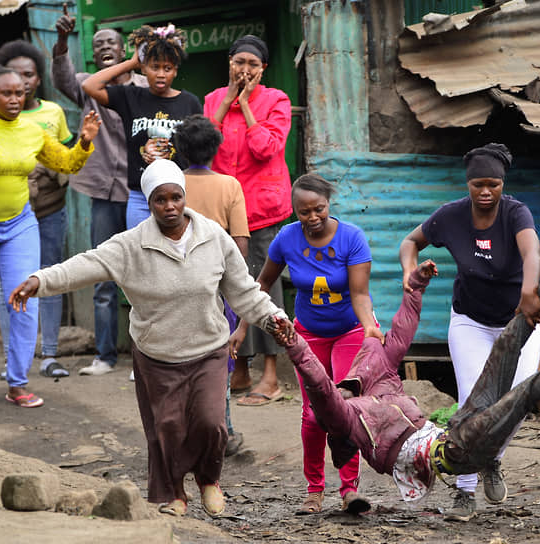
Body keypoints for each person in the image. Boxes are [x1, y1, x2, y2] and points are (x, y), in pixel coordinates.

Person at [8, 159, 292, 518]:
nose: (170, 206)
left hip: (208, 350)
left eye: (176, 197)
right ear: (149, 202)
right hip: (157, 355)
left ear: (184, 197)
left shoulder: (214, 237)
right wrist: (38, 281)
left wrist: (274, 319)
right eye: (160, 200)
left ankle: (208, 480)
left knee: (210, 421)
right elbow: (83, 265)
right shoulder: (131, 245)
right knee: (167, 429)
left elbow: (245, 292)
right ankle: (175, 494)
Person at [268, 248, 540, 514]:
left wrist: (417, 286)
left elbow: (402, 333)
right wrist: (294, 343)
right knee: (523, 394)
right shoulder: (345, 418)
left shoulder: (380, 380)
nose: (373, 342)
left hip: (455, 428)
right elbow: (318, 385)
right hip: (453, 454)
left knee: (506, 346)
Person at [399, 143, 540, 521]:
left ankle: (491, 459)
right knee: (471, 399)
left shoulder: (515, 213)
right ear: (468, 184)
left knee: (519, 399)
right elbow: (410, 242)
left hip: (518, 321)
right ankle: (464, 490)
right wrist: (408, 271)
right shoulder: (451, 216)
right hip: (470, 321)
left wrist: (530, 292)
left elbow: (532, 253)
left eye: (493, 184)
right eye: (478, 184)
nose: (485, 191)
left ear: (501, 184)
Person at [230, 173, 382, 513]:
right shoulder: (286, 238)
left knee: (345, 407)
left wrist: (370, 326)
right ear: (294, 211)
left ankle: (349, 489)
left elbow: (359, 293)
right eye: (304, 212)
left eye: (319, 209)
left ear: (329, 204)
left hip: (349, 333)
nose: (313, 218)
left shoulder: (352, 238)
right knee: (313, 416)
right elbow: (262, 285)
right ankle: (314, 491)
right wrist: (242, 327)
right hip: (308, 336)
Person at [0, 64, 100, 408]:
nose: (15, 99)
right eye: (7, 93)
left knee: (21, 300)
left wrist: (84, 142)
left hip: (19, 224)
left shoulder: (33, 131)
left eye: (20, 92)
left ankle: (17, 383)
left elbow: (67, 164)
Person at [51, 11, 148, 377]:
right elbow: (61, 76)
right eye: (99, 45)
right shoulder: (88, 85)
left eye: (111, 43)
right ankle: (105, 356)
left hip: (141, 192)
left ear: (124, 49)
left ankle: (145, 359)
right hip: (104, 192)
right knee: (104, 274)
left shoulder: (143, 86)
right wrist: (62, 43)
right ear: (93, 54)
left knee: (145, 275)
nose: (105, 48)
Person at [203, 35, 292, 406]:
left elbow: (265, 148)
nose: (244, 70)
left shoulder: (276, 101)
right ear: (229, 63)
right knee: (227, 286)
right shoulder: (212, 99)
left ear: (263, 69)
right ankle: (239, 369)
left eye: (252, 65)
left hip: (263, 208)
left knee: (263, 287)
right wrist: (227, 102)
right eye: (239, 62)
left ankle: (270, 374)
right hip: (223, 209)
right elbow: (205, 144)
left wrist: (246, 107)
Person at [0, 39, 74, 379]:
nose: (22, 83)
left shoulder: (52, 113)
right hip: (9, 214)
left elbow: (68, 158)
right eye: (15, 77)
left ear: (39, 78)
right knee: (9, 285)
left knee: (49, 277)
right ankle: (14, 360)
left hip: (50, 209)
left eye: (28, 75)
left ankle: (50, 354)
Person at [173, 113, 250, 455]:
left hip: (176, 278)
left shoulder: (172, 187)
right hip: (218, 281)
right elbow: (240, 242)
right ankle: (225, 431)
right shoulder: (230, 186)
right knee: (220, 357)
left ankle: (184, 433)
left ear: (180, 150)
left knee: (180, 358)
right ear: (216, 149)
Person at [82, 23, 203, 235]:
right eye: (154, 67)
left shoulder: (189, 102)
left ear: (176, 70)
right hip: (140, 196)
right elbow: (90, 85)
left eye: (168, 68)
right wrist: (131, 62)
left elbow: (199, 148)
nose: (161, 74)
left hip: (178, 195)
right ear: (144, 68)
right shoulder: (131, 97)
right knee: (141, 255)